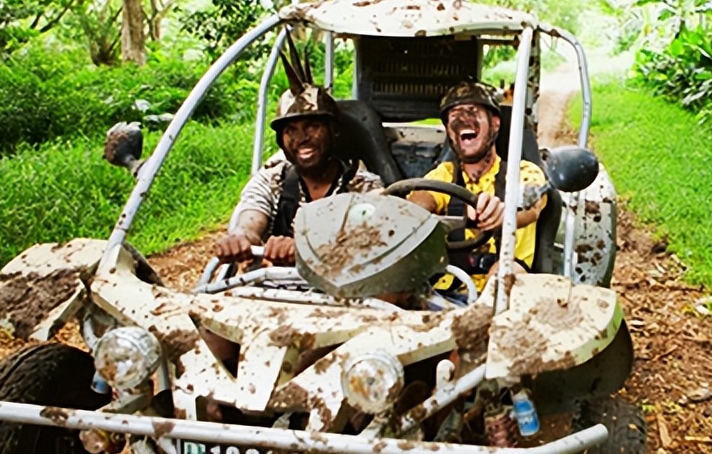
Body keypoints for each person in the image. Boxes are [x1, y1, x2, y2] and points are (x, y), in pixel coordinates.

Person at [214, 64, 381, 266]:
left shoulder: (364, 186)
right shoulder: (273, 180)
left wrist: (306, 247)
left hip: (342, 283)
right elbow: (251, 217)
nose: (301, 138)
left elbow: (373, 241)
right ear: (281, 139)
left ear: (333, 131)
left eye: (312, 127)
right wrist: (240, 238)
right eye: (291, 130)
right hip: (274, 282)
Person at [408, 80, 547, 292]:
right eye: (454, 115)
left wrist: (504, 214)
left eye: (472, 111)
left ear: (495, 123)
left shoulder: (524, 172)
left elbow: (531, 207)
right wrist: (415, 211)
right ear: (449, 131)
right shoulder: (443, 175)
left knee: (505, 273)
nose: (463, 119)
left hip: (504, 294)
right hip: (444, 292)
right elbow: (420, 200)